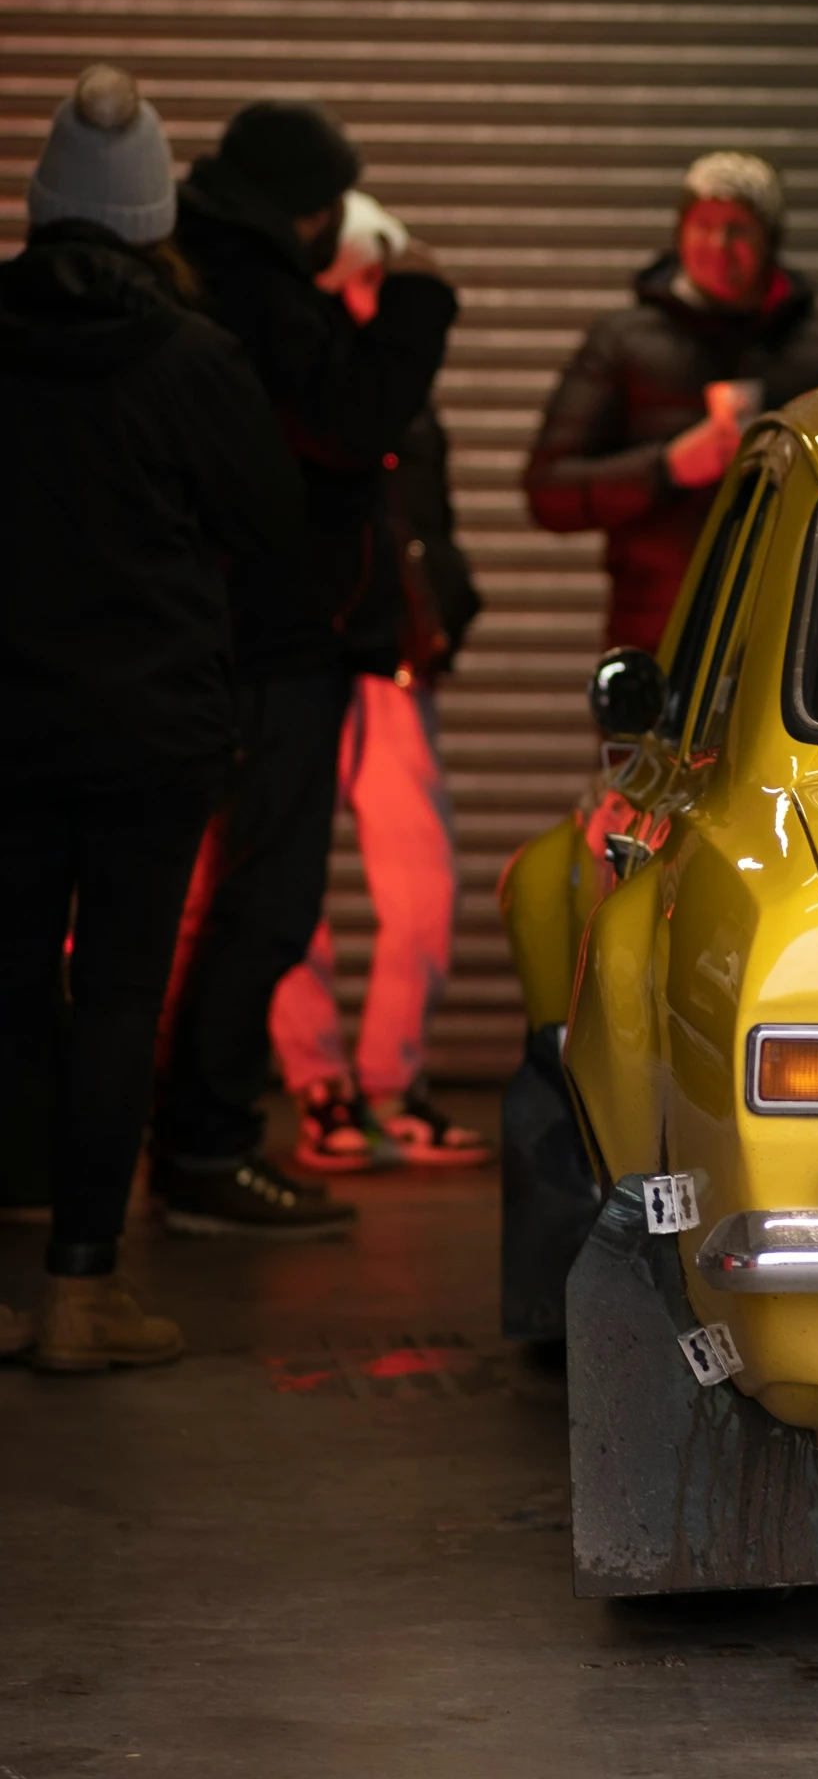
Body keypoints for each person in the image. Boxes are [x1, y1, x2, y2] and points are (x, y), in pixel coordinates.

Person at [0, 66, 302, 1368]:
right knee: (119, 994)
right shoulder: (193, 358)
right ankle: (82, 1294)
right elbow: (273, 538)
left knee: (6, 986)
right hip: (148, 734)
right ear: (148, 214)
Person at [149, 104, 459, 1235]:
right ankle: (207, 1146)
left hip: (234, 637)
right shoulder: (259, 289)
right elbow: (352, 412)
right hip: (272, 643)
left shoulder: (207, 270)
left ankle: (187, 1137)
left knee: (223, 901)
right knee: (266, 902)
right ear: (315, 206)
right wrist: (420, 295)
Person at [269, 192, 490, 1174]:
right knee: (288, 876)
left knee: (422, 883)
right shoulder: (299, 375)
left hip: (394, 655)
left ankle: (393, 1083)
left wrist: (448, 598)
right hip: (308, 651)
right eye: (360, 279)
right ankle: (319, 1088)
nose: (372, 298)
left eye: (380, 280)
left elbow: (424, 520)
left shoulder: (397, 385)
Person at [525, 151, 818, 651]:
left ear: (770, 240)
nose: (718, 245)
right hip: (659, 636)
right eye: (702, 225)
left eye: (738, 228)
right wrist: (666, 468)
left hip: (796, 634)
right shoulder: (623, 342)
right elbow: (549, 493)